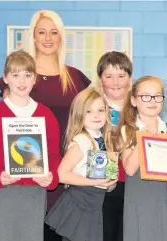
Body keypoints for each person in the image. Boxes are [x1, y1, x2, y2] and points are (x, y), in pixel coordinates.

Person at [0, 10, 91, 241]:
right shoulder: (19, 77)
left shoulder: (76, 78)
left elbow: (88, 124)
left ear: (61, 37)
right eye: (42, 32)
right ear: (33, 37)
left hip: (65, 171)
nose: (48, 38)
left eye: (54, 32)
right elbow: (4, 123)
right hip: (26, 168)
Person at [0, 50, 60, 241]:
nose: (22, 81)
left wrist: (51, 177)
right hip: (3, 194)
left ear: (35, 79)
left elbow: (54, 156)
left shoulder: (46, 115)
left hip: (34, 196)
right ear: (5, 78)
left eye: (27, 75)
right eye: (15, 75)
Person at [45, 88, 118, 241]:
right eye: (88, 111)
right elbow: (62, 175)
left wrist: (111, 183)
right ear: (79, 114)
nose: (96, 115)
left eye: (100, 110)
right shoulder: (82, 140)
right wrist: (95, 181)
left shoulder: (106, 140)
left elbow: (109, 185)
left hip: (96, 201)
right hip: (80, 200)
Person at [119, 76, 167, 241]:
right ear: (134, 100)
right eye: (145, 96)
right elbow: (130, 169)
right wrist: (144, 139)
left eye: (157, 96)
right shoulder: (128, 130)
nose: (152, 101)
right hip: (138, 198)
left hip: (163, 198)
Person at [95, 51, 133, 241]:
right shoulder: (92, 108)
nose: (116, 82)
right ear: (100, 79)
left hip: (134, 185)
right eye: (109, 76)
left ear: (130, 78)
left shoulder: (140, 107)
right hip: (102, 185)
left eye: (121, 76)